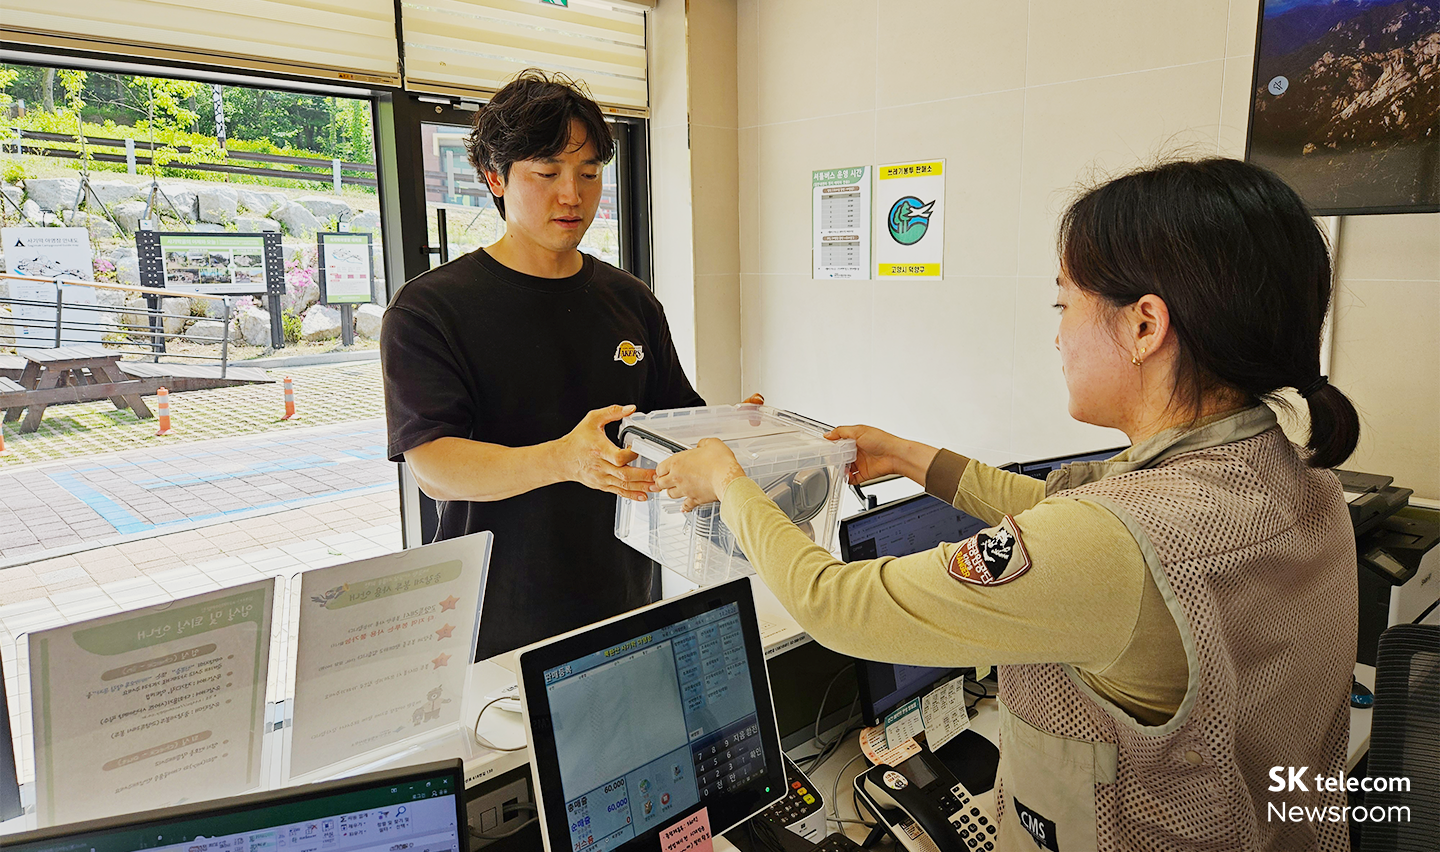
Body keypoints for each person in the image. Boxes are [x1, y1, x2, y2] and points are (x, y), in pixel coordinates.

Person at [655, 158, 1360, 852]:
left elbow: (838, 605)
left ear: (1144, 327)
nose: (1058, 335)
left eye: (1065, 304)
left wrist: (729, 482)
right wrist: (907, 456)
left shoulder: (1112, 542)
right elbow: (1071, 513)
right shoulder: (1302, 486)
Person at [381, 70, 755, 660]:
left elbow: (673, 422)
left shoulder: (630, 300)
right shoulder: (431, 309)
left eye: (588, 173)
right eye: (547, 172)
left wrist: (735, 433)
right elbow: (434, 467)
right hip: (494, 620)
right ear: (495, 177)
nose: (572, 196)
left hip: (625, 598)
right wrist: (563, 459)